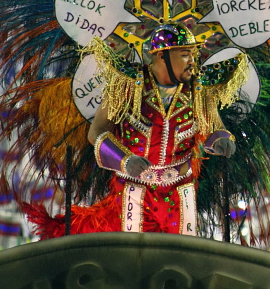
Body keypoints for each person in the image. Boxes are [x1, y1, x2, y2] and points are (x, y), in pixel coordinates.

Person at [28, 21, 241, 237]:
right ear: (162, 55)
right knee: (134, 255)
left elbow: (214, 127)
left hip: (179, 192)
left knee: (179, 256)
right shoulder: (127, 85)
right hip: (134, 190)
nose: (192, 62)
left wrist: (221, 139)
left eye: (194, 55)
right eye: (185, 54)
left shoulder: (199, 89)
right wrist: (125, 160)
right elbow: (97, 133)